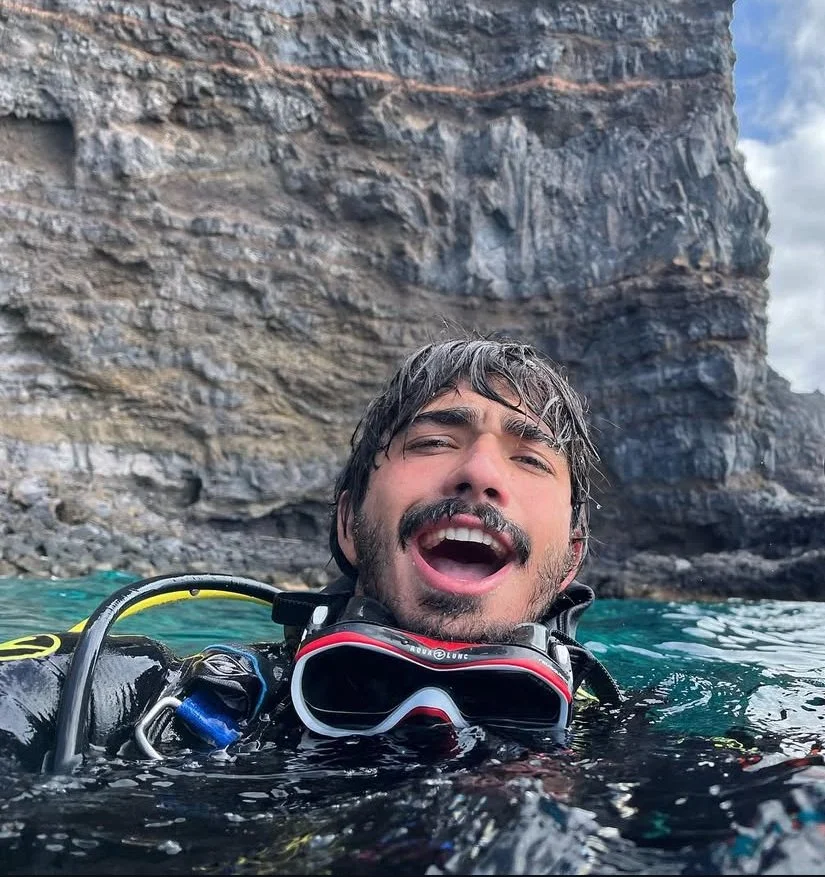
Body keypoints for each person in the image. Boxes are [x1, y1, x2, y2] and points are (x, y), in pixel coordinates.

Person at [0, 335, 620, 773]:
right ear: (349, 524)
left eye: (531, 459)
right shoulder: (153, 703)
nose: (479, 472)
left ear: (569, 560)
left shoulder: (624, 744)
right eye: (433, 441)